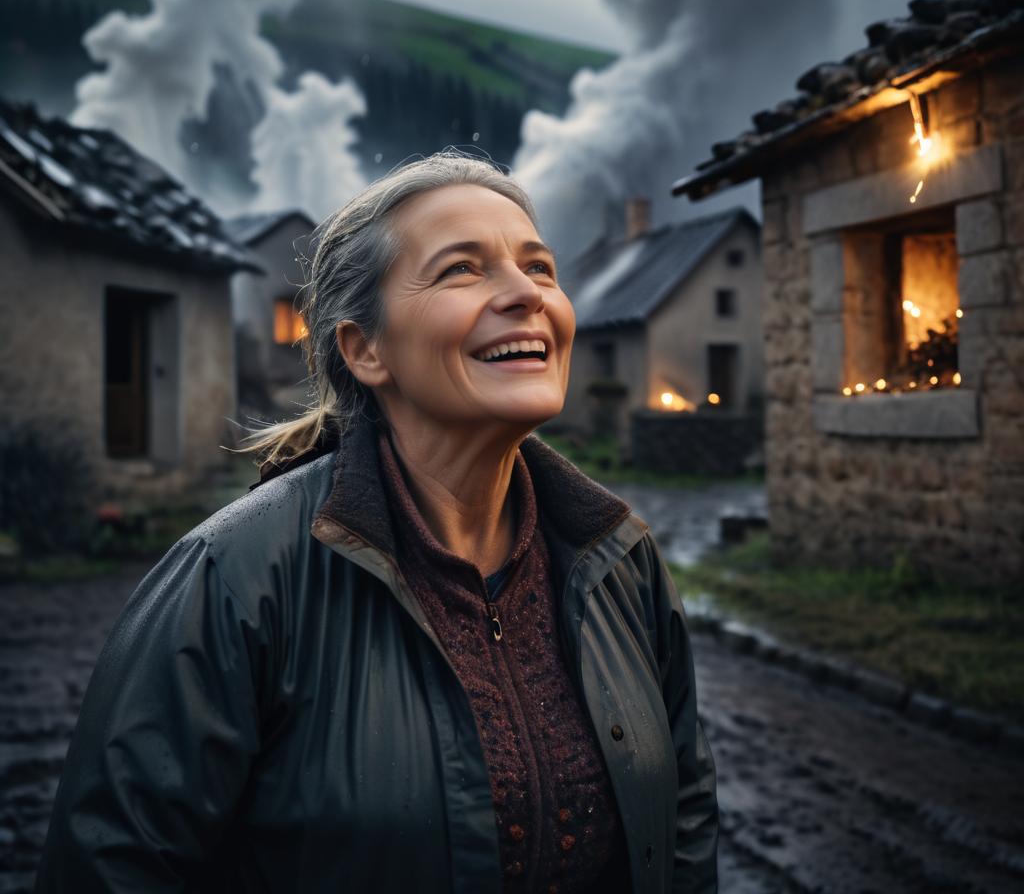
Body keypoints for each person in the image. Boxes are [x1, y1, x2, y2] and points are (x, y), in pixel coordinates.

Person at [35, 153, 718, 893]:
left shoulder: (621, 560)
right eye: (463, 269)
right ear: (365, 350)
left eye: (541, 268)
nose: (527, 294)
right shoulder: (230, 581)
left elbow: (682, 819)